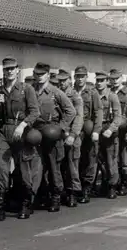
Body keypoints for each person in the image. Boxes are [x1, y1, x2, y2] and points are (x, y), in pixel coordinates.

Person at [0, 56, 41, 220]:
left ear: (17, 70)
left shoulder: (26, 89)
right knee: (0, 166)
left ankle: (26, 202)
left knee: (23, 167)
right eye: (6, 69)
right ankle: (0, 205)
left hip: (22, 131)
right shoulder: (0, 90)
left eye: (12, 68)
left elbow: (35, 112)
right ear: (3, 71)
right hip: (5, 131)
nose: (9, 71)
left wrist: (23, 125)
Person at [33, 62, 76, 212]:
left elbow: (71, 111)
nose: (39, 77)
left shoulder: (56, 92)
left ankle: (56, 196)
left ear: (48, 75)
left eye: (42, 74)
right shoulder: (31, 90)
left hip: (52, 133)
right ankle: (40, 196)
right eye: (36, 74)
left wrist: (61, 128)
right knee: (38, 166)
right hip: (37, 133)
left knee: (53, 167)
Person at [73, 65, 103, 204]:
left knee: (91, 156)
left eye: (82, 76)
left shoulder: (92, 92)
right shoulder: (70, 91)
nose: (80, 79)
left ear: (86, 77)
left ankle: (87, 187)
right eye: (78, 76)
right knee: (75, 157)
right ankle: (74, 187)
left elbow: (98, 112)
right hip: (74, 127)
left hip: (88, 126)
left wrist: (96, 131)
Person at [57, 69, 84, 207]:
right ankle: (60, 192)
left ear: (69, 80)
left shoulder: (75, 97)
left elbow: (79, 117)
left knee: (72, 165)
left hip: (72, 135)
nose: (61, 83)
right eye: (59, 80)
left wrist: (73, 135)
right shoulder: (56, 94)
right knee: (59, 165)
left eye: (64, 80)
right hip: (59, 134)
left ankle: (73, 193)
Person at [109, 68, 127, 196]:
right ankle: (112, 183)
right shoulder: (108, 92)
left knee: (125, 157)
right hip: (110, 129)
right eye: (112, 78)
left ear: (121, 79)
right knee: (111, 157)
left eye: (117, 78)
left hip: (124, 129)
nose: (114, 81)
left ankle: (123, 184)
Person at [94, 71, 122, 198]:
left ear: (107, 81)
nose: (99, 83)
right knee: (97, 159)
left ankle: (112, 186)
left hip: (109, 130)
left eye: (102, 80)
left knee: (111, 160)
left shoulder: (112, 96)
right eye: (97, 80)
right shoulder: (93, 95)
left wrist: (111, 129)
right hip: (97, 129)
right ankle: (103, 183)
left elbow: (118, 117)